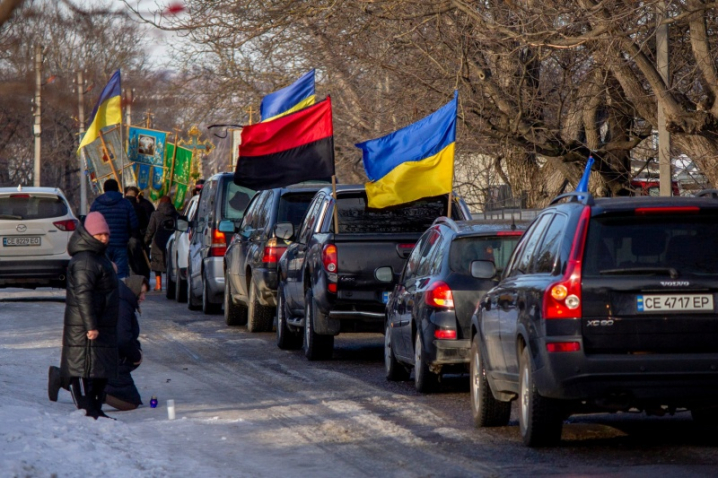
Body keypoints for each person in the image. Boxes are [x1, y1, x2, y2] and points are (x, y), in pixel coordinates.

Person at [51, 212, 119, 419]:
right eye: (100, 235)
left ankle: (95, 407)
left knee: (99, 369)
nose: (105, 239)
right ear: (89, 234)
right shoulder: (85, 260)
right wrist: (90, 326)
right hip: (86, 327)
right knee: (86, 369)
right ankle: (88, 408)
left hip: (101, 323)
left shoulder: (97, 257)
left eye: (106, 235)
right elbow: (83, 295)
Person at [104, 275, 148, 411]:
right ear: (134, 290)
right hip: (113, 360)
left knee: (130, 400)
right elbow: (122, 338)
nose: (143, 298)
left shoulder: (122, 300)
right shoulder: (123, 304)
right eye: (142, 293)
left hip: (110, 357)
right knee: (130, 402)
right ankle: (94, 392)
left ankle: (89, 388)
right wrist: (136, 356)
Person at [90, 179, 139, 279]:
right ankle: (120, 292)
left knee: (104, 272)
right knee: (121, 273)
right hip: (121, 243)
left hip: (102, 245)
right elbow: (134, 224)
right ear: (117, 189)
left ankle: (107, 293)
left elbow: (90, 223)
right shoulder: (126, 203)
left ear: (104, 189)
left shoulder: (96, 204)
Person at [144, 195, 177, 291]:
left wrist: (146, 240)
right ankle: (170, 284)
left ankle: (158, 285)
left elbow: (151, 229)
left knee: (157, 264)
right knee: (171, 263)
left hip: (158, 241)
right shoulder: (175, 214)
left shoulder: (155, 214)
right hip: (171, 241)